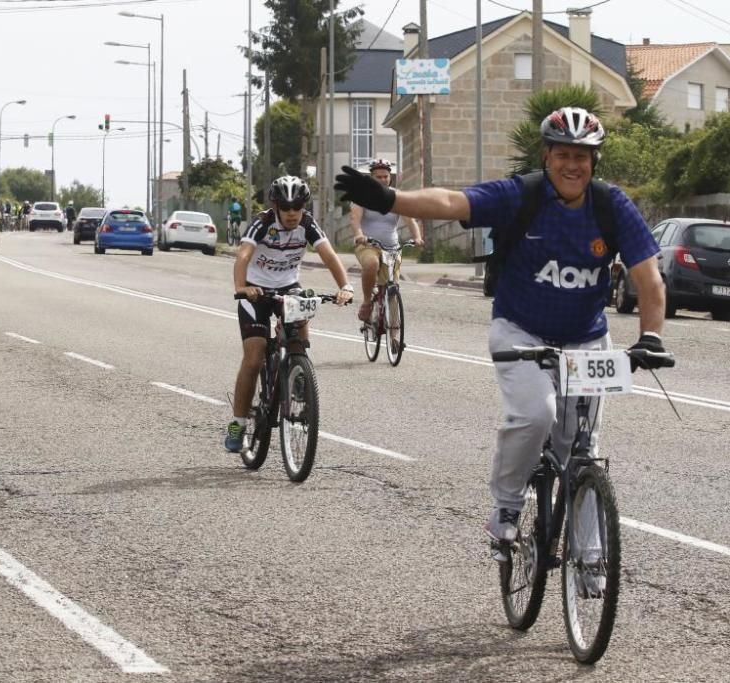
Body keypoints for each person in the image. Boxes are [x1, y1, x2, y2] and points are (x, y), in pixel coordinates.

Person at [334, 106, 669, 544]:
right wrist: (391, 200)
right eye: (563, 154)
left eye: (582, 156)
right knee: (536, 414)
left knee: (582, 451)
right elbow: (453, 201)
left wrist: (651, 337)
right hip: (520, 332)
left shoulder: (611, 205)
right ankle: (506, 504)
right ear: (547, 156)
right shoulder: (521, 195)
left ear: (594, 161)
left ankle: (590, 560)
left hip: (587, 342)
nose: (573, 165)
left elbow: (648, 277)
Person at [225, 175, 354, 452]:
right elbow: (244, 255)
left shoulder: (307, 224)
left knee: (299, 330)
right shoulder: (262, 223)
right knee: (254, 356)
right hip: (256, 292)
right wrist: (241, 286)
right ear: (276, 207)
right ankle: (237, 422)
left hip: (288, 287)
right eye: (287, 208)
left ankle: (298, 374)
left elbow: (330, 256)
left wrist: (345, 286)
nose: (293, 213)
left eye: (297, 207)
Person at [350, 159, 424, 322]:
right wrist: (358, 234)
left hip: (392, 248)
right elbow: (355, 219)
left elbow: (410, 220)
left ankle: (394, 337)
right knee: (371, 264)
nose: (383, 180)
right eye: (378, 177)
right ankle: (367, 303)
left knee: (392, 290)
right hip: (368, 245)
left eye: (385, 176)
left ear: (390, 177)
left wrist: (417, 237)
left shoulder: (395, 197)